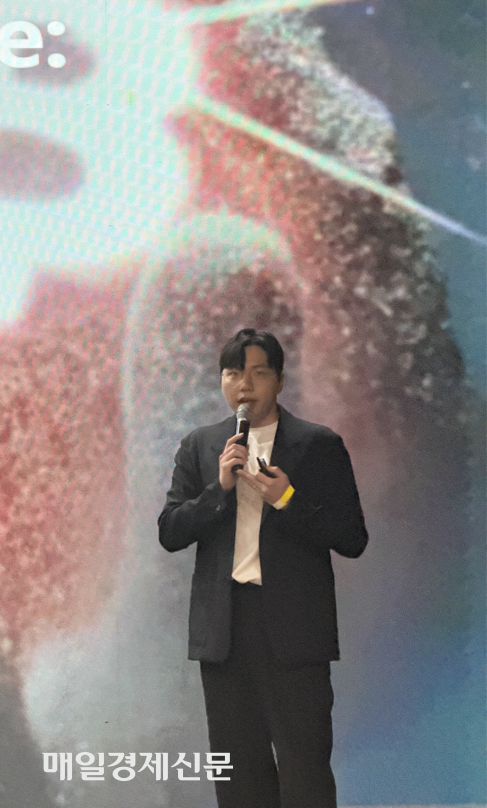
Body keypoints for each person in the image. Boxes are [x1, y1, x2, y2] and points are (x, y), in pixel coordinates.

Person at [158, 328, 368, 808]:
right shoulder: (200, 446)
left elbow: (352, 538)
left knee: (305, 772)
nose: (245, 386)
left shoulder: (318, 444)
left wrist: (288, 498)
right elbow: (170, 531)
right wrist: (218, 490)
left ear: (279, 380)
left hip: (295, 632)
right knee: (238, 777)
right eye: (234, 374)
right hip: (224, 633)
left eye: (258, 373)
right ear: (221, 381)